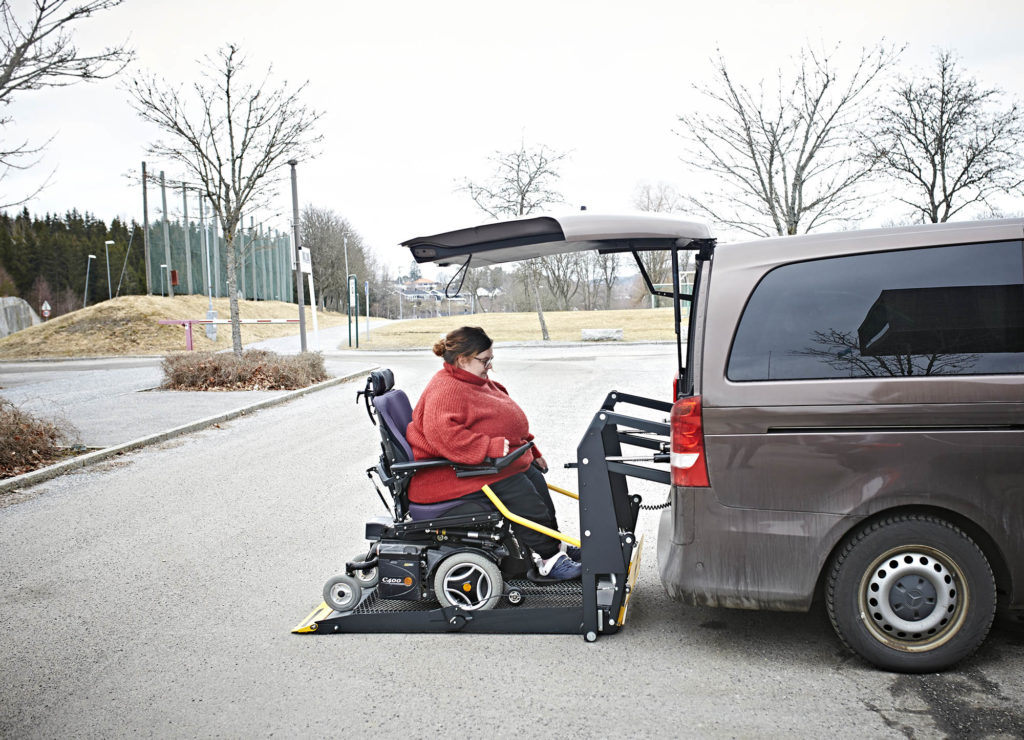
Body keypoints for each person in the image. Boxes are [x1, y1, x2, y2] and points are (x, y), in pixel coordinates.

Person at [405, 326, 581, 581]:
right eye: (484, 360)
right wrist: (490, 448)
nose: (489, 366)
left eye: (490, 359)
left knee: (534, 479)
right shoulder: (446, 390)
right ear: (463, 359)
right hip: (447, 475)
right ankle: (549, 561)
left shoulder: (474, 381)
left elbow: (508, 424)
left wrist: (530, 449)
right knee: (521, 494)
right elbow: (446, 437)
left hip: (480, 465)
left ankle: (555, 547)